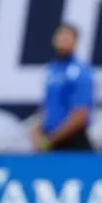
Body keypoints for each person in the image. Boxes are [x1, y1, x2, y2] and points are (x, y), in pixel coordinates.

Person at [32, 24, 95, 152]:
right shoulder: (51, 70)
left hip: (72, 143)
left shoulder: (80, 71)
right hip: (51, 141)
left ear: (75, 42)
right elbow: (48, 106)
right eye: (60, 36)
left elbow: (80, 114)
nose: (62, 40)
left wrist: (52, 140)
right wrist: (37, 131)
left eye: (67, 37)